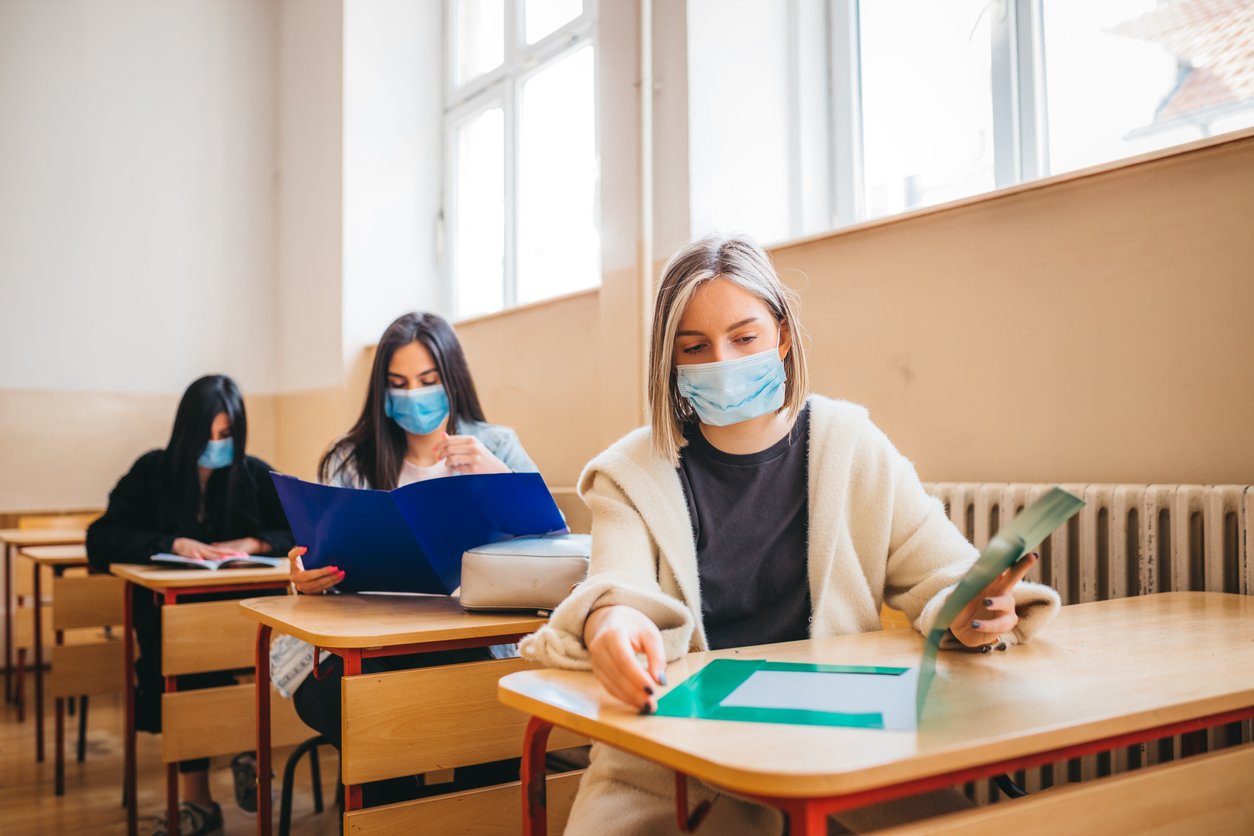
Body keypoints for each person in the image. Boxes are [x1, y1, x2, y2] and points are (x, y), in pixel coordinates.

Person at [520, 235, 1062, 834]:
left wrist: (972, 610)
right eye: (694, 347)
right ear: (669, 363)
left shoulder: (851, 445)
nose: (722, 362)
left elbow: (943, 573)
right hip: (673, 768)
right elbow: (616, 585)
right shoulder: (629, 472)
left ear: (781, 335)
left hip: (841, 759)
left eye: (744, 337)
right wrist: (610, 623)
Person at [283, 311, 539, 804]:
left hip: (474, 642)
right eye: (398, 383)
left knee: (488, 713)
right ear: (381, 390)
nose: (413, 395)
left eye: (427, 381)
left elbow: (550, 554)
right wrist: (305, 579)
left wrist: (498, 477)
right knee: (375, 718)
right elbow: (319, 558)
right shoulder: (350, 459)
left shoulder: (497, 445)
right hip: (369, 649)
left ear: (452, 380)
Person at [87, 374, 294, 836]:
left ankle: (247, 750)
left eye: (226, 436)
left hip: (244, 618)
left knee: (250, 663)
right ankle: (199, 800)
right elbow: (100, 539)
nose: (216, 445)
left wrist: (255, 540)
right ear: (186, 431)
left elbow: (301, 531)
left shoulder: (255, 473)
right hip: (170, 623)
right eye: (207, 434)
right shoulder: (152, 471)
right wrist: (174, 543)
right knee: (185, 668)